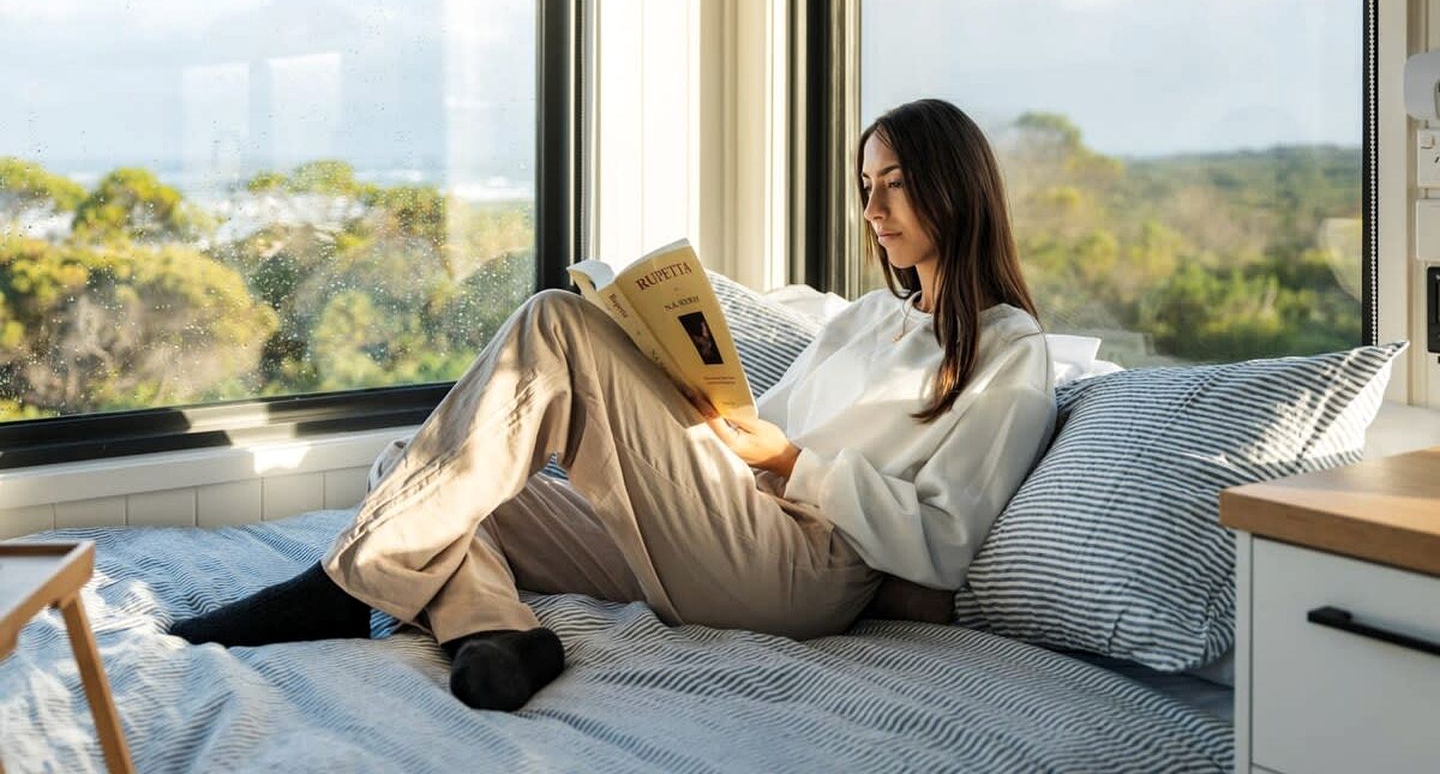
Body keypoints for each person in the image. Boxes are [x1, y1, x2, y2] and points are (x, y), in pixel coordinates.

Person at [169, 97, 1057, 713]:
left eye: (895, 182)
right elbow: (766, 423)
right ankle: (499, 634)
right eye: (866, 186)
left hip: (807, 567)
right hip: (726, 521)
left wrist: (791, 464)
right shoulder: (863, 318)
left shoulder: (1009, 349)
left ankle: (343, 587)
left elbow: (945, 541)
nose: (873, 207)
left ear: (954, 185)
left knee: (554, 322)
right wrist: (689, 405)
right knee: (413, 473)